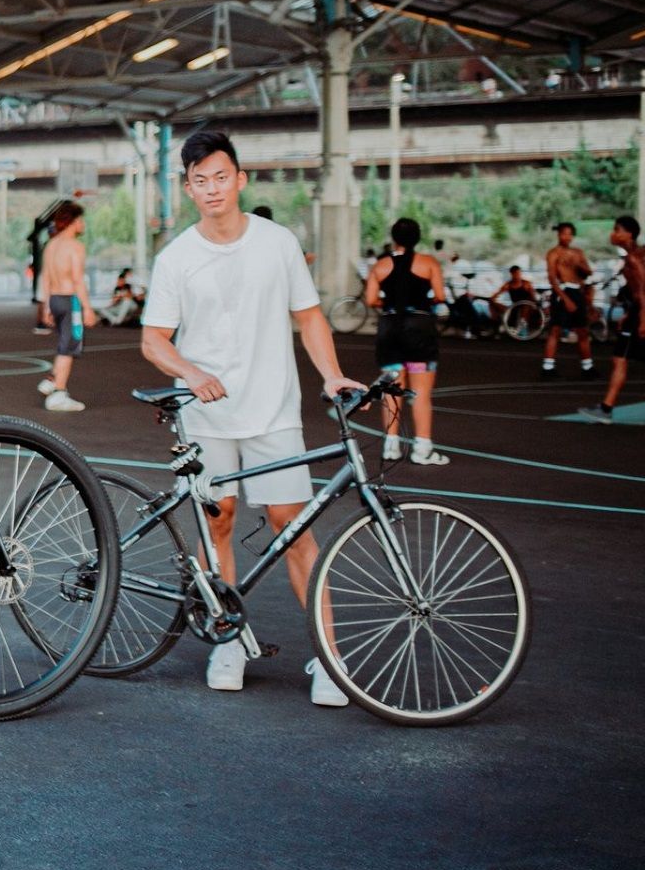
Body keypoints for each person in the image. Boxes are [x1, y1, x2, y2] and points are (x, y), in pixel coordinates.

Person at [140, 129, 365, 708]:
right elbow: (154, 339)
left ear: (240, 180)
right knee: (218, 525)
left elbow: (310, 317)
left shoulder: (277, 243)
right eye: (200, 180)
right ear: (188, 189)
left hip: (273, 412)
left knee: (294, 530)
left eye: (221, 177)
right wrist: (189, 372)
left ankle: (331, 659)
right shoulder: (177, 257)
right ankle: (229, 641)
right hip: (206, 416)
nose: (212, 188)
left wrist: (332, 375)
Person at [362, 218, 451, 466]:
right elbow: (440, 295)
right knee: (421, 392)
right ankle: (422, 449)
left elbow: (371, 300)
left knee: (392, 388)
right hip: (419, 329)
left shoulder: (380, 266)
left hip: (390, 328)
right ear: (418, 237)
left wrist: (391, 303)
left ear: (393, 238)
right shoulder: (429, 263)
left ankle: (391, 446)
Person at [579, 216, 645, 426]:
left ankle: (606, 409)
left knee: (622, 358)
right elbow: (643, 288)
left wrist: (642, 319)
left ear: (629, 234)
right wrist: (631, 314)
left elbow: (644, 289)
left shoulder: (634, 257)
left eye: (617, 230)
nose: (613, 234)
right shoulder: (639, 255)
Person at [34, 201, 96, 412]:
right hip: (70, 300)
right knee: (68, 347)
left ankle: (53, 378)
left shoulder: (51, 245)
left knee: (64, 342)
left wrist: (46, 307)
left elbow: (46, 278)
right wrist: (88, 308)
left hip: (55, 299)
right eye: (81, 220)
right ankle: (58, 393)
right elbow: (78, 280)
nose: (83, 224)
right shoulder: (75, 246)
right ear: (74, 221)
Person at [542, 222, 595, 378]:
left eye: (570, 234)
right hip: (563, 291)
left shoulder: (578, 252)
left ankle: (587, 368)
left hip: (578, 291)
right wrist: (565, 299)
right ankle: (547, 368)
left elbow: (588, 272)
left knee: (583, 330)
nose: (567, 237)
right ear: (559, 235)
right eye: (564, 233)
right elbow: (552, 279)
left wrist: (579, 265)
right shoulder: (553, 253)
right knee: (555, 330)